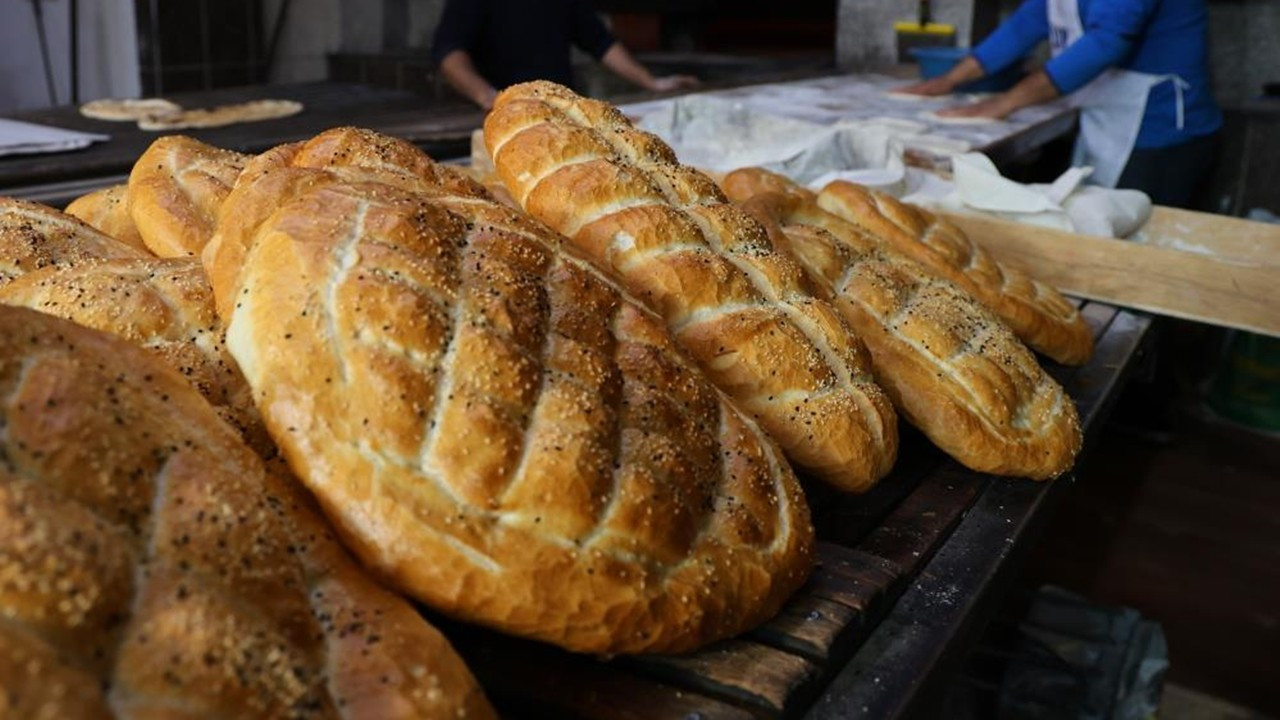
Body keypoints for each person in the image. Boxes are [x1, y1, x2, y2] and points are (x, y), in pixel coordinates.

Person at [899, 0, 1222, 209]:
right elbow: (1022, 27)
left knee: (1138, 255)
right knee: (1098, 227)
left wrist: (1004, 103)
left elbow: (1105, 43)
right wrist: (947, 81)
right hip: (1110, 120)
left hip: (1162, 134)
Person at [431, 0, 699, 110]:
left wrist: (651, 82)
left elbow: (601, 43)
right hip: (506, 112)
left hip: (561, 109)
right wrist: (490, 97)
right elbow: (449, 52)